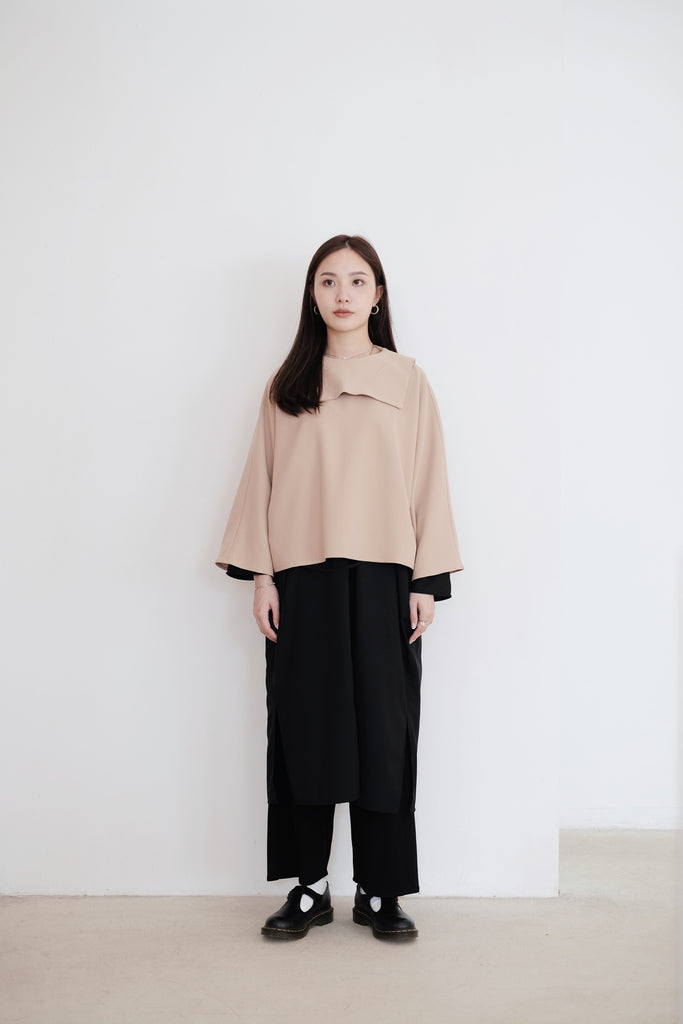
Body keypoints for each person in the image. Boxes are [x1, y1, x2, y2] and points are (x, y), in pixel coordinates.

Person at [216, 234, 463, 941]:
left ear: (378, 295)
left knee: (385, 733)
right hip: (302, 578)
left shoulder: (407, 380)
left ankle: (380, 890)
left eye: (357, 281)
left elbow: (428, 478)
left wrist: (426, 579)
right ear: (312, 294)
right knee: (304, 729)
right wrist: (262, 576)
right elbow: (262, 479)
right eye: (328, 281)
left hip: (387, 577)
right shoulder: (287, 384)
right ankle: (310, 887)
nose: (343, 293)